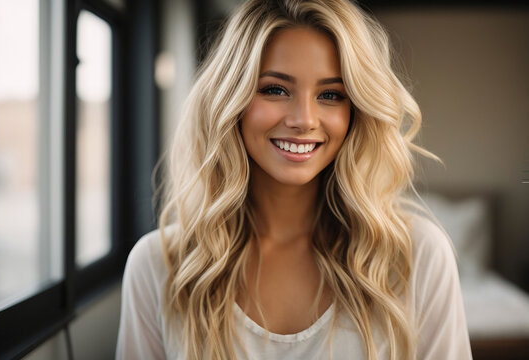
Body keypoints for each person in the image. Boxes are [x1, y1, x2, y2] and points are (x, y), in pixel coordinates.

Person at [116, 0, 472, 359]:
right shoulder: (158, 266)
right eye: (275, 89)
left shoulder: (418, 258)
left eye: (331, 95)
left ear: (356, 112)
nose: (304, 119)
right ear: (230, 100)